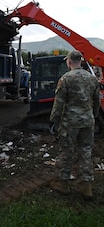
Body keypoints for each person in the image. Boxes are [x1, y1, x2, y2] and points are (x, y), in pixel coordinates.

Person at [49, 50, 100, 198]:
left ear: (69, 62)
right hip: (87, 121)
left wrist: (54, 121)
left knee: (66, 151)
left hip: (70, 123)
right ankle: (86, 186)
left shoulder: (65, 79)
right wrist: (93, 116)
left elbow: (58, 104)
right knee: (86, 151)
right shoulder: (92, 79)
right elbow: (96, 102)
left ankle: (63, 183)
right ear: (81, 61)